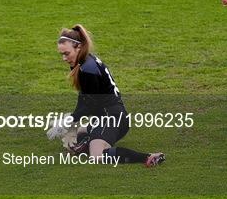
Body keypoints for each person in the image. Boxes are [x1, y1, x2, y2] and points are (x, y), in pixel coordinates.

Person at [57, 24, 165, 167]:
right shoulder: (84, 62)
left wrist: (69, 120)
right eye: (62, 54)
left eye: (66, 53)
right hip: (107, 116)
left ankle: (148, 157)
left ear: (78, 47)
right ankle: (84, 146)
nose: (64, 58)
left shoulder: (88, 70)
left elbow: (91, 105)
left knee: (97, 156)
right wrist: (72, 118)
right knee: (81, 132)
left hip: (112, 118)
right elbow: (83, 97)